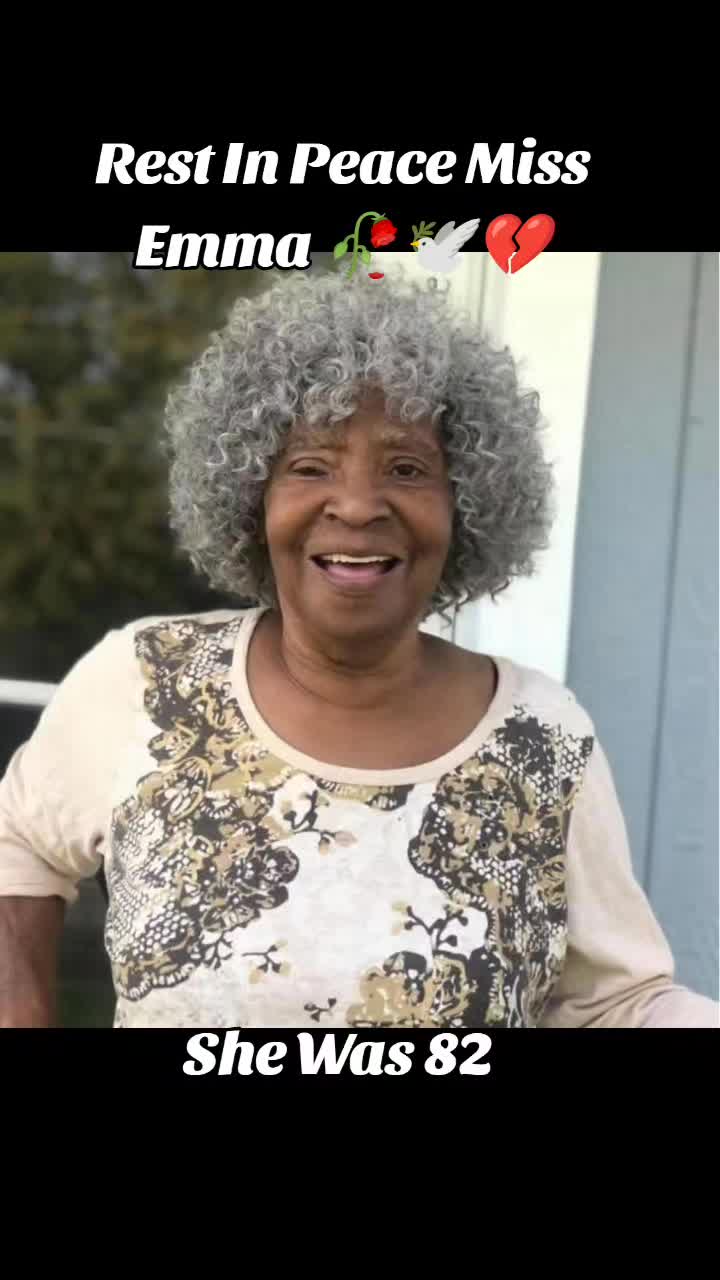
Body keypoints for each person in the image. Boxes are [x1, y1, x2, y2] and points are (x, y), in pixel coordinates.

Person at [0, 272, 717, 1030]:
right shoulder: (150, 683)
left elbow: (617, 1004)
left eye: (406, 469)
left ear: (467, 505)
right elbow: (18, 844)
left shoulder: (542, 736)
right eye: (310, 467)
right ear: (252, 497)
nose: (357, 506)